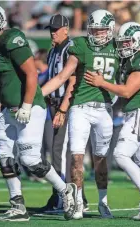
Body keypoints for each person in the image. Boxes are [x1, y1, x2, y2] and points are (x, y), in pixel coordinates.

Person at [0, 3, 77, 221]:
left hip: (29, 106)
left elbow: (30, 74)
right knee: (3, 155)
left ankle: (65, 189)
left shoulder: (12, 39)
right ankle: (17, 205)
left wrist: (27, 105)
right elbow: (1, 78)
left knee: (30, 160)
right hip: (8, 107)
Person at [42, 9, 118, 219]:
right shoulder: (81, 45)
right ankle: (76, 203)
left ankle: (103, 202)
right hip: (80, 107)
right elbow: (63, 77)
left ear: (110, 29)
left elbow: (132, 76)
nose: (97, 33)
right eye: (94, 29)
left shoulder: (118, 47)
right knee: (76, 156)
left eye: (101, 29)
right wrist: (37, 96)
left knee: (100, 160)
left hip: (105, 109)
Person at [84, 21, 140, 221]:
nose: (122, 46)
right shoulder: (128, 61)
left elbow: (128, 90)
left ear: (138, 41)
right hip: (137, 113)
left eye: (127, 42)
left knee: (120, 155)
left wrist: (102, 83)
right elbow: (126, 93)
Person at [40, 14, 89, 212]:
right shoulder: (53, 51)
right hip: (53, 103)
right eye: (51, 29)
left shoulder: (71, 48)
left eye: (56, 29)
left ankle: (73, 198)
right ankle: (60, 195)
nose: (53, 32)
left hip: (65, 104)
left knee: (62, 153)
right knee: (56, 152)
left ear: (66, 29)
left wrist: (62, 108)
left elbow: (73, 80)